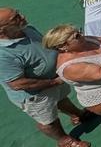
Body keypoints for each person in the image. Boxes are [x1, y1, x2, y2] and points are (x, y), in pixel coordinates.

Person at [0, 8, 90, 147]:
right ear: (2, 31)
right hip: (34, 95)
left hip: (53, 80)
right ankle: (65, 140)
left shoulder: (27, 29)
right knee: (48, 120)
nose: (22, 16)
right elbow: (18, 84)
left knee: (61, 99)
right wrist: (54, 81)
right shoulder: (3, 55)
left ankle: (77, 114)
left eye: (18, 13)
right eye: (15, 18)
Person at [43, 26, 101, 144]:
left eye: (79, 31)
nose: (81, 35)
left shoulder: (85, 39)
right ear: (63, 46)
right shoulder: (69, 67)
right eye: (76, 36)